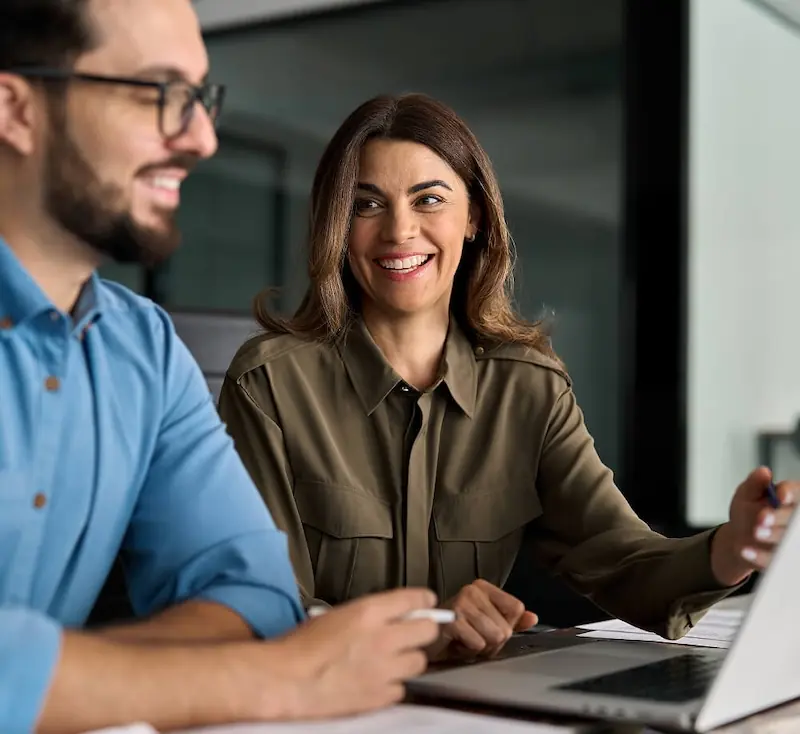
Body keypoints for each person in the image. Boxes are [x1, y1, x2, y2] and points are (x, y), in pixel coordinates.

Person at [218, 92, 798, 662]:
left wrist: (734, 546)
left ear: (472, 216)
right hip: (321, 708)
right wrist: (426, 629)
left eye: (428, 200)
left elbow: (621, 560)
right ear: (337, 226)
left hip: (481, 710)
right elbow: (263, 607)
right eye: (367, 204)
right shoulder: (269, 385)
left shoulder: (530, 388)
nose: (399, 231)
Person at [0, 3, 440, 732]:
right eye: (160, 94)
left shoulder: (140, 349)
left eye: (200, 99)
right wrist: (267, 681)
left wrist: (84, 685)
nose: (201, 138)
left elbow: (253, 592)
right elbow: (265, 653)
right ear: (15, 109)